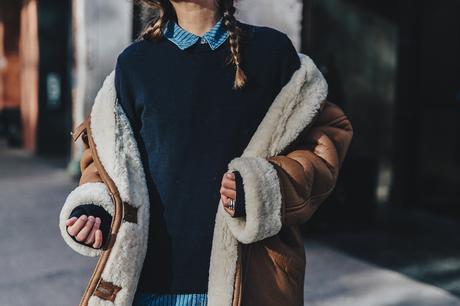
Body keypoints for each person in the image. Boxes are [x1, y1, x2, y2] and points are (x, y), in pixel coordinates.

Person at [59, 0, 353, 306]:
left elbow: (326, 139)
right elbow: (107, 156)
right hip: (147, 288)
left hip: (249, 286)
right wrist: (96, 209)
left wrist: (263, 188)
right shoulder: (136, 63)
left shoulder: (270, 52)